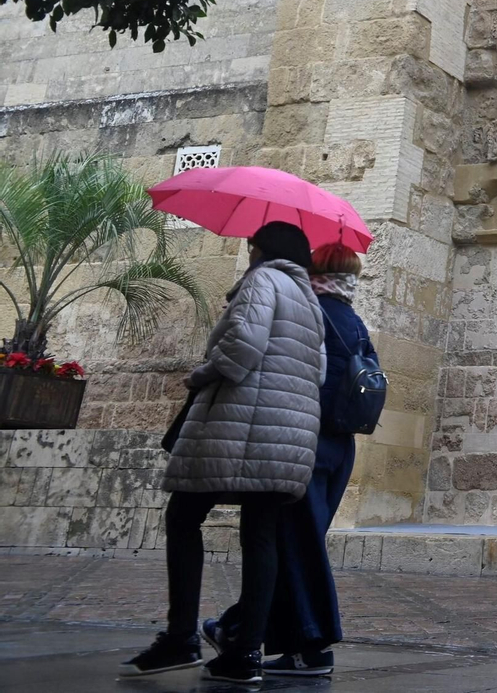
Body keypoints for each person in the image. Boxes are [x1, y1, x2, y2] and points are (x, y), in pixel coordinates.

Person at [121, 222, 325, 685]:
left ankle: (180, 638)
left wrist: (201, 373)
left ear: (260, 248)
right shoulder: (310, 301)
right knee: (261, 534)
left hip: (239, 425)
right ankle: (244, 653)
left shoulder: (261, 279)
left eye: (250, 244)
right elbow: (319, 369)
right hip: (288, 434)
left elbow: (242, 350)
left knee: (183, 516)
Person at [208, 243, 374, 676]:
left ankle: (312, 646)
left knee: (293, 543)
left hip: (306, 439)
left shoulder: (310, 313)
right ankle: (239, 626)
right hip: (340, 446)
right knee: (295, 542)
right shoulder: (353, 321)